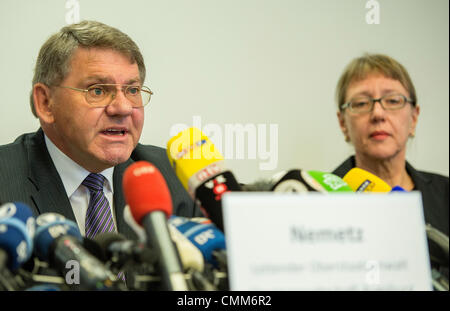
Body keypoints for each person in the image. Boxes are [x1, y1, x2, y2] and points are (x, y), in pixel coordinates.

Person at [0, 20, 201, 240]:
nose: (123, 108)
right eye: (97, 91)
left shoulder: (174, 178)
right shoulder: (5, 183)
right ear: (46, 102)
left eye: (133, 90)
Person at [332, 53, 449, 280]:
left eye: (393, 101)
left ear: (414, 118)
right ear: (342, 123)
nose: (378, 114)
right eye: (361, 103)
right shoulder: (316, 199)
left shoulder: (446, 196)